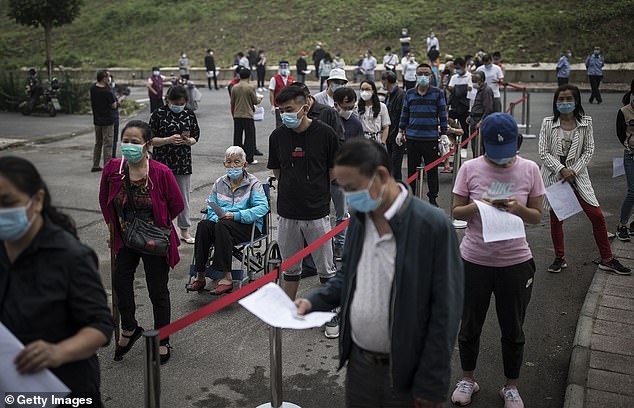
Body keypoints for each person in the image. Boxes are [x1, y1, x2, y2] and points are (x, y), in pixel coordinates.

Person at [295, 138, 463, 407]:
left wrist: (431, 384)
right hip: (360, 365)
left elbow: (446, 310)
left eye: (352, 188)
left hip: (407, 373)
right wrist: (314, 301)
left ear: (381, 176)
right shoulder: (362, 220)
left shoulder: (432, 226)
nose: (348, 197)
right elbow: (348, 276)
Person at [450, 113, 545, 408]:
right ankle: (468, 378)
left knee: (513, 327)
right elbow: (455, 211)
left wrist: (517, 208)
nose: (501, 160)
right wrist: (478, 207)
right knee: (470, 324)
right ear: (483, 144)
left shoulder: (530, 169)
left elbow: (537, 216)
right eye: (494, 152)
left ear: (516, 143)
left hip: (515, 262)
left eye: (507, 153)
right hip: (474, 260)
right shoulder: (470, 168)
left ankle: (511, 386)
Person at [0, 156, 113, 401]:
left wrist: (57, 352)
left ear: (37, 200)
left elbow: (101, 326)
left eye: (7, 202)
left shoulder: (71, 257)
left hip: (64, 388)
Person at [99, 120, 183, 365]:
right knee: (120, 281)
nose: (128, 146)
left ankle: (163, 339)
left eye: (134, 142)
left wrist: (154, 225)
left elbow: (176, 204)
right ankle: (129, 328)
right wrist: (112, 229)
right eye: (125, 141)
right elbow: (105, 200)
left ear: (147, 144)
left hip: (154, 239)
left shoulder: (160, 172)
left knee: (157, 289)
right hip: (125, 237)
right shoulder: (113, 169)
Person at [538, 84, 630, 275]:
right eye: (560, 99)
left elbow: (588, 151)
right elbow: (543, 152)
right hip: (556, 177)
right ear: (555, 102)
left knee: (596, 215)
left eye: (568, 99)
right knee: (557, 218)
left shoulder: (586, 123)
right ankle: (559, 257)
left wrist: (573, 170)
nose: (564, 103)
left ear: (576, 101)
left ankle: (607, 258)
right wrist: (561, 169)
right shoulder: (548, 123)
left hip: (578, 177)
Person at [267, 86, 339, 303]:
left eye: (289, 109)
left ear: (305, 107)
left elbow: (332, 171)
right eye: (281, 111)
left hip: (317, 212)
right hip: (287, 211)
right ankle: (288, 309)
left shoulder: (326, 133)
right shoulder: (278, 136)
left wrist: (313, 188)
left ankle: (331, 313)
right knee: (290, 265)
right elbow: (277, 170)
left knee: (325, 267)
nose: (285, 115)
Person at [186, 146, 269, 295]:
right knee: (204, 225)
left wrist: (235, 216)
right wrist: (217, 218)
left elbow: (262, 207)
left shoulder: (253, 183)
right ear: (224, 164)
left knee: (222, 225)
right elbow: (211, 206)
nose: (233, 165)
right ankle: (200, 275)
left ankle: (226, 277)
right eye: (229, 162)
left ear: (244, 164)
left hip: (247, 225)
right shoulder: (219, 183)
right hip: (223, 224)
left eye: (237, 162)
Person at [149, 85, 200, 244]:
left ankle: (184, 230)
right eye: (175, 102)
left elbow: (195, 137)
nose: (178, 105)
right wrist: (167, 140)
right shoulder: (158, 114)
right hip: (162, 163)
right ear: (168, 100)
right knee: (160, 197)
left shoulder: (189, 114)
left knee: (183, 197)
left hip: (182, 162)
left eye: (181, 102)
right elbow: (150, 140)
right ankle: (163, 229)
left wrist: (187, 141)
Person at [398, 63, 448, 206]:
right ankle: (411, 198)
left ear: (431, 76)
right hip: (412, 138)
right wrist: (401, 131)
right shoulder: (409, 93)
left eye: (426, 74)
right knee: (412, 171)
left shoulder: (438, 93)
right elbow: (405, 113)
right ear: (416, 76)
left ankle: (433, 199)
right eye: (421, 73)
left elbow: (443, 114)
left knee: (432, 171)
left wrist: (443, 133)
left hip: (430, 138)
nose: (423, 76)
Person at [231, 67, 263, 164]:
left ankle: (236, 158)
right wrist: (260, 98)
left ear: (240, 75)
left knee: (237, 137)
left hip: (237, 115)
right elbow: (254, 101)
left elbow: (232, 102)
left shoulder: (234, 87)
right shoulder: (250, 87)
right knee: (249, 137)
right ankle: (249, 158)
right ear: (249, 76)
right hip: (247, 115)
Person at [616, 79, 634, 241]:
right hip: (631, 155)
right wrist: (629, 145)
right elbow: (620, 133)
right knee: (632, 192)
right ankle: (622, 225)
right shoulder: (624, 112)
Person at [90, 69, 117, 173]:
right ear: (104, 78)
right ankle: (108, 166)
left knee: (98, 143)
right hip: (107, 121)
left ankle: (95, 164)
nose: (109, 78)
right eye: (108, 77)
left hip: (97, 120)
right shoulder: (107, 92)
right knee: (108, 144)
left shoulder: (93, 88)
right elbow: (113, 105)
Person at [381, 71, 406, 180]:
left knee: (396, 165)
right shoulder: (389, 95)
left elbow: (402, 115)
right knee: (390, 164)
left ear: (386, 81)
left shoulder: (401, 95)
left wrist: (401, 132)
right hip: (389, 133)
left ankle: (398, 187)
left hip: (397, 133)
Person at [447, 57, 473, 147]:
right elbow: (450, 88)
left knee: (465, 128)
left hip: (465, 106)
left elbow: (470, 89)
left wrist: (456, 89)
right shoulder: (454, 77)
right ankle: (453, 143)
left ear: (464, 66)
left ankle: (464, 147)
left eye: (458, 68)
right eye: (456, 68)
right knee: (449, 123)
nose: (457, 70)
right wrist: (463, 88)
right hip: (454, 106)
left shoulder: (470, 77)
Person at [469, 70, 494, 157]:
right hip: (474, 118)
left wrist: (482, 121)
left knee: (479, 145)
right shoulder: (479, 90)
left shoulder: (486, 91)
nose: (474, 82)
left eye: (476, 80)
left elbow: (488, 108)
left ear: (481, 80)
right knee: (474, 144)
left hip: (479, 120)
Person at [358, 80, 390, 146]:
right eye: (362, 89)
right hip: (362, 142)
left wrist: (383, 142)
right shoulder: (356, 107)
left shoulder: (382, 106)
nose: (364, 92)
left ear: (373, 91)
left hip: (377, 141)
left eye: (367, 89)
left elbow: (386, 127)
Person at [269, 61, 295, 128]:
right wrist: (272, 105)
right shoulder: (274, 79)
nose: (284, 68)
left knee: (289, 124)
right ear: (279, 68)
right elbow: (271, 92)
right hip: (278, 106)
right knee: (279, 125)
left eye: (285, 67)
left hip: (289, 106)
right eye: (282, 67)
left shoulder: (291, 79)